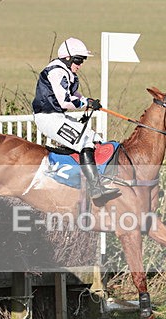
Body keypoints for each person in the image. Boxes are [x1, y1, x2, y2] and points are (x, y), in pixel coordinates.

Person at [32, 37, 121, 206]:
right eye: (78, 60)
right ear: (67, 58)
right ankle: (95, 189)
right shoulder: (56, 72)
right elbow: (65, 101)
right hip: (47, 117)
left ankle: (100, 179)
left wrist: (88, 100)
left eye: (82, 61)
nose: (80, 65)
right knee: (84, 142)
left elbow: (75, 95)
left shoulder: (67, 72)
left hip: (56, 116)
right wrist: (85, 103)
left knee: (95, 138)